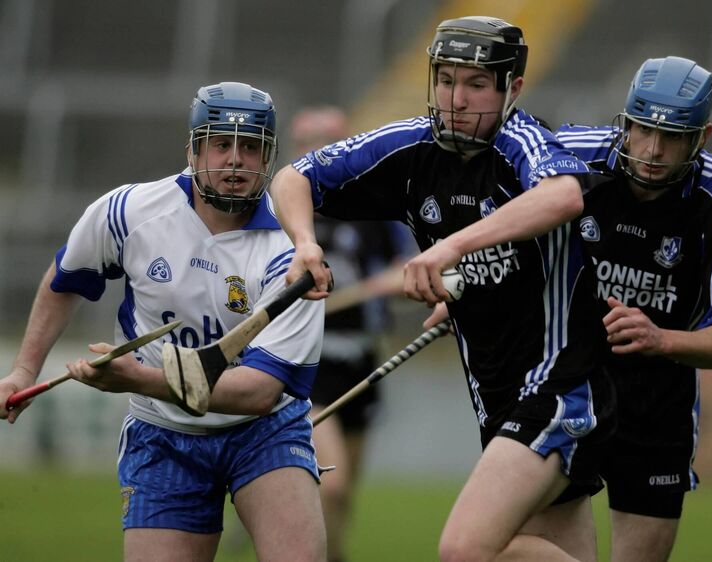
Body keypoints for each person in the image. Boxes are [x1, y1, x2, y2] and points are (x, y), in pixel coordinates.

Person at [270, 16, 615, 562]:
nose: (457, 98)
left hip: (559, 387)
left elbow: (563, 198)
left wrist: (447, 249)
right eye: (446, 79)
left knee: (464, 549)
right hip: (498, 398)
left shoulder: (523, 140)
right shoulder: (411, 147)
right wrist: (305, 244)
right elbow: (295, 177)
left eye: (476, 84)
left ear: (512, 89)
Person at [0, 82, 327, 562]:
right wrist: (25, 370)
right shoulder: (130, 211)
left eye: (251, 147)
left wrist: (138, 380)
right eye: (221, 144)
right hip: (163, 436)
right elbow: (66, 277)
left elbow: (259, 392)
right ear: (193, 151)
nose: (235, 160)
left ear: (268, 158)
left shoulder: (292, 255)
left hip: (264, 432)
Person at [556, 56, 712, 561]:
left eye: (672, 137)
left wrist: (661, 339)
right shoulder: (571, 158)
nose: (652, 150)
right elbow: (498, 210)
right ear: (625, 121)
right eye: (643, 129)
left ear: (703, 136)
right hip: (565, 390)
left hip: (657, 408)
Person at [290, 106, 411, 562]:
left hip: (362, 360)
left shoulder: (376, 211)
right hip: (309, 361)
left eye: (328, 141)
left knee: (345, 494)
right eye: (308, 142)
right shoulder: (290, 216)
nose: (317, 152)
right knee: (332, 483)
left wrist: (390, 281)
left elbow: (412, 268)